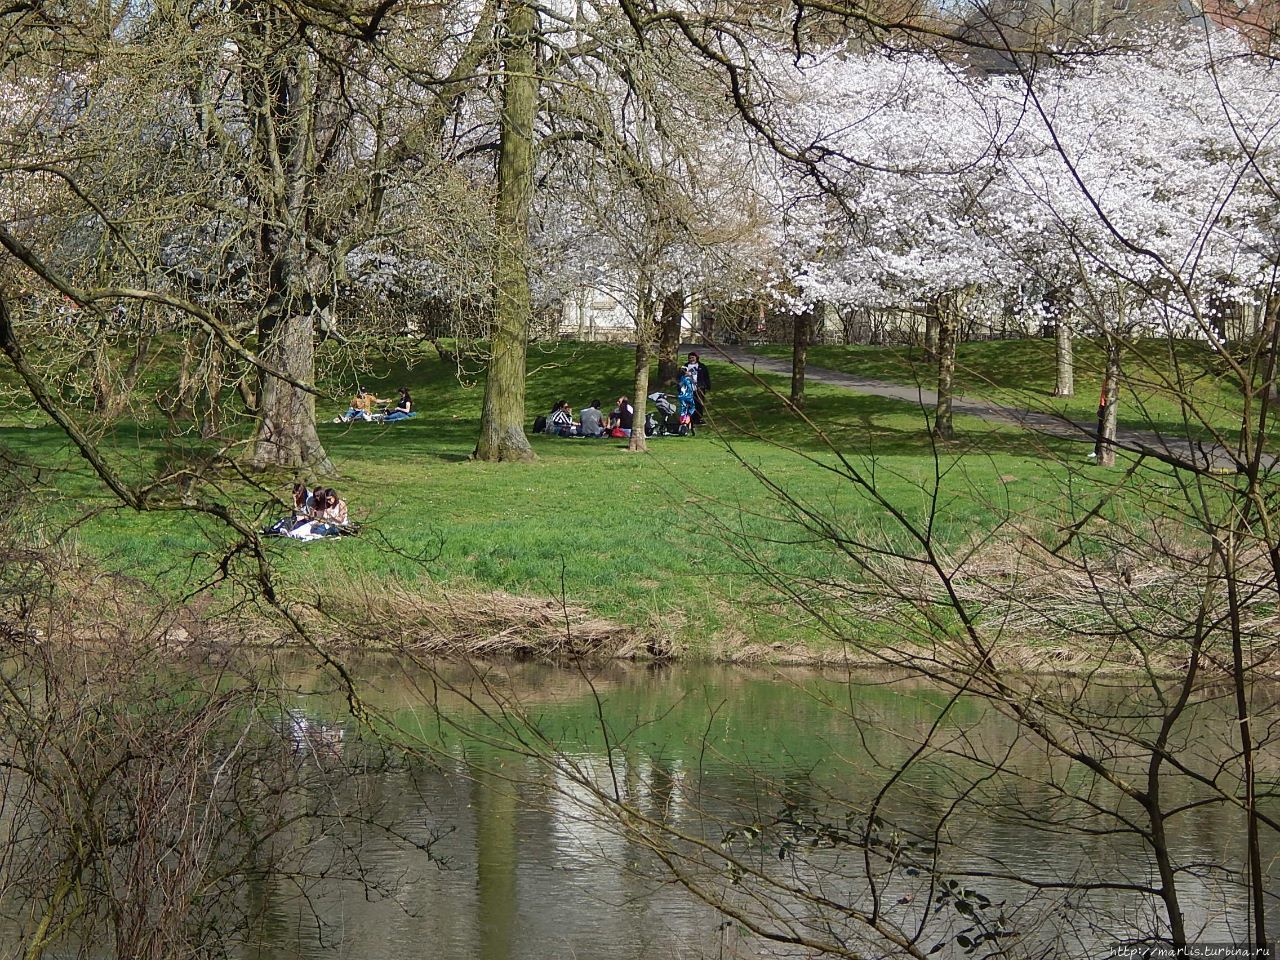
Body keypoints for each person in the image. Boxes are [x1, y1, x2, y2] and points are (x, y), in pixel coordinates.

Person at [685, 352, 710, 424]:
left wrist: (706, 386)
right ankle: (690, 418)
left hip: (699, 388)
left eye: (693, 357)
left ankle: (699, 418)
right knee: (689, 403)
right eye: (689, 358)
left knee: (699, 403)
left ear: (696, 357)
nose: (691, 359)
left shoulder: (702, 366)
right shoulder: (686, 366)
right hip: (688, 388)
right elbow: (680, 376)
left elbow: (706, 377)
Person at [677, 368, 696, 433]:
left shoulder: (681, 378)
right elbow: (691, 388)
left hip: (681, 396)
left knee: (683, 409)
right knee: (692, 407)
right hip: (688, 396)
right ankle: (687, 419)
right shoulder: (687, 379)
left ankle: (683, 421)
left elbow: (679, 387)